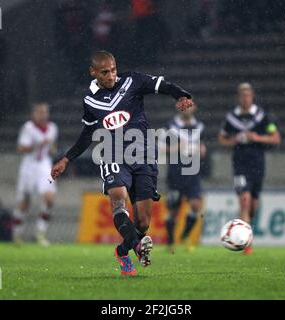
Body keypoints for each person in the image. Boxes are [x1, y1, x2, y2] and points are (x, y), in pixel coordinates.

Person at [51, 51, 194, 276]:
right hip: (112, 152)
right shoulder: (90, 99)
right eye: (105, 72)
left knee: (143, 222)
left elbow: (162, 85)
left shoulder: (132, 81)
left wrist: (181, 95)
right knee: (118, 198)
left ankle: (123, 250)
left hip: (143, 154)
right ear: (93, 72)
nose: (110, 76)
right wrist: (67, 159)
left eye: (113, 70)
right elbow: (88, 133)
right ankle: (137, 246)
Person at [218, 83, 280, 255]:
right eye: (242, 96)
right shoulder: (232, 118)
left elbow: (275, 138)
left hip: (258, 164)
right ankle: (246, 243)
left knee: (252, 205)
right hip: (240, 164)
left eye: (248, 96)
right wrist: (235, 140)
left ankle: (246, 230)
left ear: (252, 97)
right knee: (244, 200)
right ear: (239, 98)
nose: (245, 99)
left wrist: (257, 137)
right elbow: (222, 139)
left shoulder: (261, 117)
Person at [162, 105, 206, 253]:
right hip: (176, 172)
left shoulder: (199, 126)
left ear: (194, 108)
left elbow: (202, 146)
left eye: (190, 105)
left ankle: (185, 235)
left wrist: (202, 149)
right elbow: (159, 147)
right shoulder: (170, 126)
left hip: (193, 171)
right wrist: (175, 149)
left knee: (196, 204)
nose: (187, 108)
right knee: (174, 209)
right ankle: (170, 242)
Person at [13, 102, 58, 247]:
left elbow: (51, 147)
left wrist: (51, 150)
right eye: (39, 112)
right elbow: (21, 148)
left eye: (44, 112)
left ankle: (40, 233)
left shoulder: (52, 128)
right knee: (24, 202)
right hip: (29, 166)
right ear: (33, 114)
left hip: (44, 165)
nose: (42, 115)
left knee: (49, 198)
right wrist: (37, 145)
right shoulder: (28, 128)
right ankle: (17, 234)